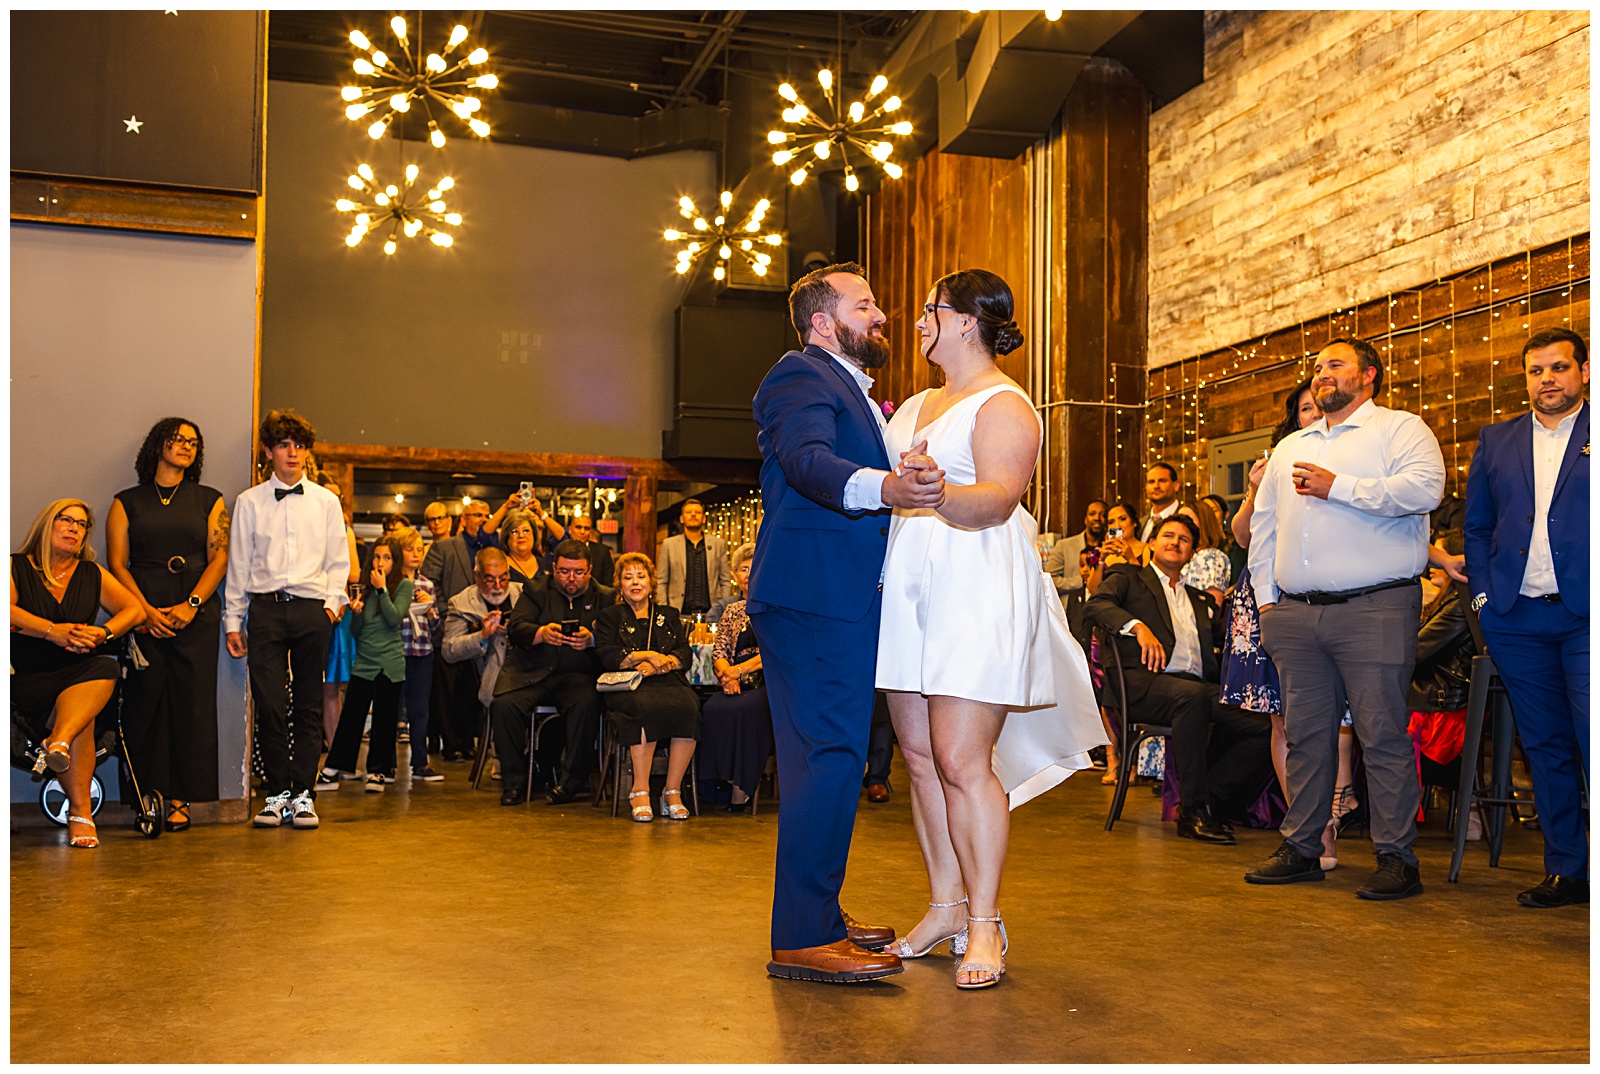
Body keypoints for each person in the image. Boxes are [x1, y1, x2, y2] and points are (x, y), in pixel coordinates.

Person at [876, 268, 1107, 990]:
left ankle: (984, 922)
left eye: (928, 311)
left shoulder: (1008, 405)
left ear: (968, 321)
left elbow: (1000, 500)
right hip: (909, 580)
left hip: (973, 583)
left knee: (960, 757)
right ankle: (944, 906)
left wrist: (934, 489)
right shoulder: (915, 401)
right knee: (916, 755)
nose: (916, 322)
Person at [749, 260, 947, 984]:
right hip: (814, 597)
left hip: (832, 597)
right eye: (865, 306)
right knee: (825, 763)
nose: (882, 316)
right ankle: (802, 935)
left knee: (834, 761)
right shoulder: (798, 374)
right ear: (823, 323)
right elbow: (806, 462)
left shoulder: (854, 392)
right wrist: (890, 486)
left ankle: (819, 917)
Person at [1244, 337, 1444, 899]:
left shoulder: (1399, 430)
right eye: (1316, 368)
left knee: (1381, 735)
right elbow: (1265, 530)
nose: (1321, 374)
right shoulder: (1290, 447)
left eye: (1335, 365)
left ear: (1370, 375)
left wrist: (1341, 488)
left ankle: (1396, 857)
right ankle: (1304, 846)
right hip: (1296, 616)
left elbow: (1427, 488)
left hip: (1376, 606)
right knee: (1307, 738)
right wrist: (1266, 601)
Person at [1463, 326, 1590, 909]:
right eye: (1537, 371)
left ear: (1583, 371)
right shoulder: (1496, 439)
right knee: (1545, 747)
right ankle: (1567, 868)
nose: (1548, 380)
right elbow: (1479, 528)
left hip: (1587, 615)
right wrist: (1486, 599)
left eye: (1559, 368)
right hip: (1516, 619)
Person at [1223, 376, 1361, 867]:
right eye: (1304, 409)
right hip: (1267, 598)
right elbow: (1243, 538)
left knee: (1338, 719)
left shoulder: (1354, 461)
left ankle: (1335, 812)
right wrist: (1253, 491)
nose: (1312, 416)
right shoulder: (1276, 461)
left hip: (1335, 601)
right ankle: (1311, 826)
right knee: (1284, 719)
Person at [1085, 515, 1272, 845]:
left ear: (1193, 551)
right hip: (1143, 684)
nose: (1174, 542)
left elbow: (1221, 647)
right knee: (1191, 697)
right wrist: (1137, 626)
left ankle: (1212, 800)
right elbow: (1096, 606)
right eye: (1167, 535)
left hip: (1196, 686)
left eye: (1183, 539)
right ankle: (1192, 812)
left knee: (1266, 724)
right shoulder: (1129, 578)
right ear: (1153, 543)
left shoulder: (1200, 600)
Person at [223, 409, 351, 831]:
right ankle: (277, 795)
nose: (292, 453)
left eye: (299, 445)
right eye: (283, 445)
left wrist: (331, 608)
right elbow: (239, 565)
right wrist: (233, 622)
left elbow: (339, 561)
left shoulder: (327, 501)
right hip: (266, 609)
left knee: (310, 705)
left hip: (312, 610)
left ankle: (305, 796)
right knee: (272, 705)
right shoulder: (249, 501)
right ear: (269, 452)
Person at [105, 417, 227, 831]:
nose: (186, 446)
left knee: (192, 708)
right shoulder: (126, 501)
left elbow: (220, 559)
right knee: (145, 707)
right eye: (177, 439)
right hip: (142, 616)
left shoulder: (211, 499)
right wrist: (143, 612)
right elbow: (117, 564)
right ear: (158, 445)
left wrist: (191, 604)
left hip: (196, 613)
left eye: (193, 442)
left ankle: (181, 799)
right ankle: (147, 797)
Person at [11, 500, 146, 848]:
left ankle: (59, 742)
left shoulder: (92, 573)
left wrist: (105, 633)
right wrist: (50, 630)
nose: (74, 528)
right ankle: (80, 813)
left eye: (82, 524)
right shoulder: (15, 566)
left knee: (105, 665)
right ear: (47, 524)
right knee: (82, 721)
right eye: (66, 520)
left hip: (83, 673)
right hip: (30, 678)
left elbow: (134, 610)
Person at [494, 539, 612, 807]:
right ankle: (514, 783)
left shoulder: (604, 596)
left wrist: (592, 641)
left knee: (587, 704)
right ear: (553, 568)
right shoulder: (536, 589)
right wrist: (540, 633)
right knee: (504, 705)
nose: (571, 578)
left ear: (590, 570)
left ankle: (571, 783)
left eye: (578, 572)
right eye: (564, 571)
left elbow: (614, 638)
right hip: (532, 672)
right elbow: (517, 626)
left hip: (577, 675)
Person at [594, 554, 701, 822]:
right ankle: (639, 790)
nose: (635, 583)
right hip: (627, 685)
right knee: (646, 707)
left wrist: (658, 665)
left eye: (640, 576)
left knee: (689, 706)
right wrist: (645, 656)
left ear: (651, 583)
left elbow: (684, 654)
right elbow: (608, 655)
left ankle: (672, 791)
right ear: (619, 585)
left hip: (667, 680)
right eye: (628, 577)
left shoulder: (669, 614)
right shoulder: (609, 616)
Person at [321, 535, 413, 792]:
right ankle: (334, 767)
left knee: (384, 720)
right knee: (351, 716)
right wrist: (356, 612)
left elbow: (394, 619)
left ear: (395, 561)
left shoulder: (403, 586)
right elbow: (357, 632)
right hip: (364, 661)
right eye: (376, 556)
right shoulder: (365, 587)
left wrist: (383, 590)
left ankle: (378, 771)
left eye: (387, 557)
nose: (380, 562)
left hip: (390, 664)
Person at [699, 543, 773, 811]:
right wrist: (727, 676)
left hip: (766, 681)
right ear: (735, 576)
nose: (748, 574)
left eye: (754, 568)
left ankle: (742, 786)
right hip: (734, 680)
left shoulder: (775, 609)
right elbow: (719, 650)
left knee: (747, 709)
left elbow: (774, 654)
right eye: (743, 569)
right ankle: (717, 783)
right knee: (711, 708)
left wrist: (739, 671)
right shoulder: (732, 611)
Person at [440, 548, 524, 775]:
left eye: (503, 578)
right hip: (488, 677)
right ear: (476, 576)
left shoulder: (526, 594)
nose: (498, 585)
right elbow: (449, 649)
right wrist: (482, 636)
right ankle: (506, 759)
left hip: (528, 669)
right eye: (490, 579)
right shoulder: (461, 603)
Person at [421, 498, 491, 762]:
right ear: (464, 519)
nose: (483, 519)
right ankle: (452, 743)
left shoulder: (491, 548)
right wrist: (447, 613)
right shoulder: (444, 547)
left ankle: (470, 741)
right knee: (449, 691)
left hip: (484, 631)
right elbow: (429, 583)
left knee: (473, 690)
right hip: (450, 630)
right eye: (477, 515)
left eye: (487, 515)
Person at [316, 476, 363, 771]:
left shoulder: (344, 529)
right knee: (325, 687)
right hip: (309, 609)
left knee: (337, 685)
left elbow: (354, 573)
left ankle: (341, 755)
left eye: (337, 497)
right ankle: (335, 754)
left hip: (335, 611)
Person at [395, 528, 441, 782]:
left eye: (420, 550)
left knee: (419, 709)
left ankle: (420, 762)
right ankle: (386, 764)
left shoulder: (427, 584)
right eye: (409, 549)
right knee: (391, 707)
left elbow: (435, 628)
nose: (415, 554)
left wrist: (431, 610)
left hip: (422, 652)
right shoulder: (392, 583)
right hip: (396, 650)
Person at [655, 499, 731, 621]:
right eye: (689, 512)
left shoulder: (718, 544)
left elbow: (725, 581)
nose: (693, 515)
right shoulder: (669, 545)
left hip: (712, 615)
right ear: (681, 518)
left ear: (704, 518)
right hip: (678, 614)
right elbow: (662, 581)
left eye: (697, 512)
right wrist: (665, 609)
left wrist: (724, 608)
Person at [1044, 499, 1108, 599]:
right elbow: (1049, 580)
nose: (1097, 518)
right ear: (1086, 519)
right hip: (1070, 611)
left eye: (1103, 515)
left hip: (1102, 608)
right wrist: (1083, 581)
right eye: (1092, 514)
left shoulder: (1110, 549)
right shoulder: (1064, 546)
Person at [1177, 501, 1231, 604]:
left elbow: (1212, 606)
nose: (1180, 525)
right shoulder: (1183, 557)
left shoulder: (1211, 557)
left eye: (1187, 520)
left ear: (1204, 522)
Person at [497, 508, 546, 587]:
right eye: (514, 532)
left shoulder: (546, 564)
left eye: (526, 531)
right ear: (506, 537)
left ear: (534, 535)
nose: (521, 535)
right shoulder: (499, 566)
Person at [564, 513, 615, 587]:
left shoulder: (602, 552)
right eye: (578, 527)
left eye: (586, 528)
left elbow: (609, 583)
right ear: (570, 530)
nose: (582, 532)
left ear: (591, 532)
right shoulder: (562, 549)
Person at [1137, 463, 1180, 543]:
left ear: (1176, 486)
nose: (1156, 486)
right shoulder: (1140, 524)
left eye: (1162, 481)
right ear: (1146, 487)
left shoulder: (1188, 517)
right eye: (1151, 482)